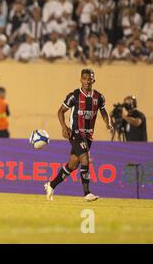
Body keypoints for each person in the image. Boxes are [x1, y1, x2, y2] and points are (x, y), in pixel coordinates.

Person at [44, 69, 113, 202]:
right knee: (85, 159)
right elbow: (60, 111)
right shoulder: (74, 96)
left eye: (90, 78)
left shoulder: (99, 97)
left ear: (93, 80)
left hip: (88, 136)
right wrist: (64, 127)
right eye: (85, 78)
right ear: (80, 79)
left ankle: (51, 185)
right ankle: (87, 193)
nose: (87, 81)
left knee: (73, 164)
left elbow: (104, 111)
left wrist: (108, 123)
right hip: (75, 132)